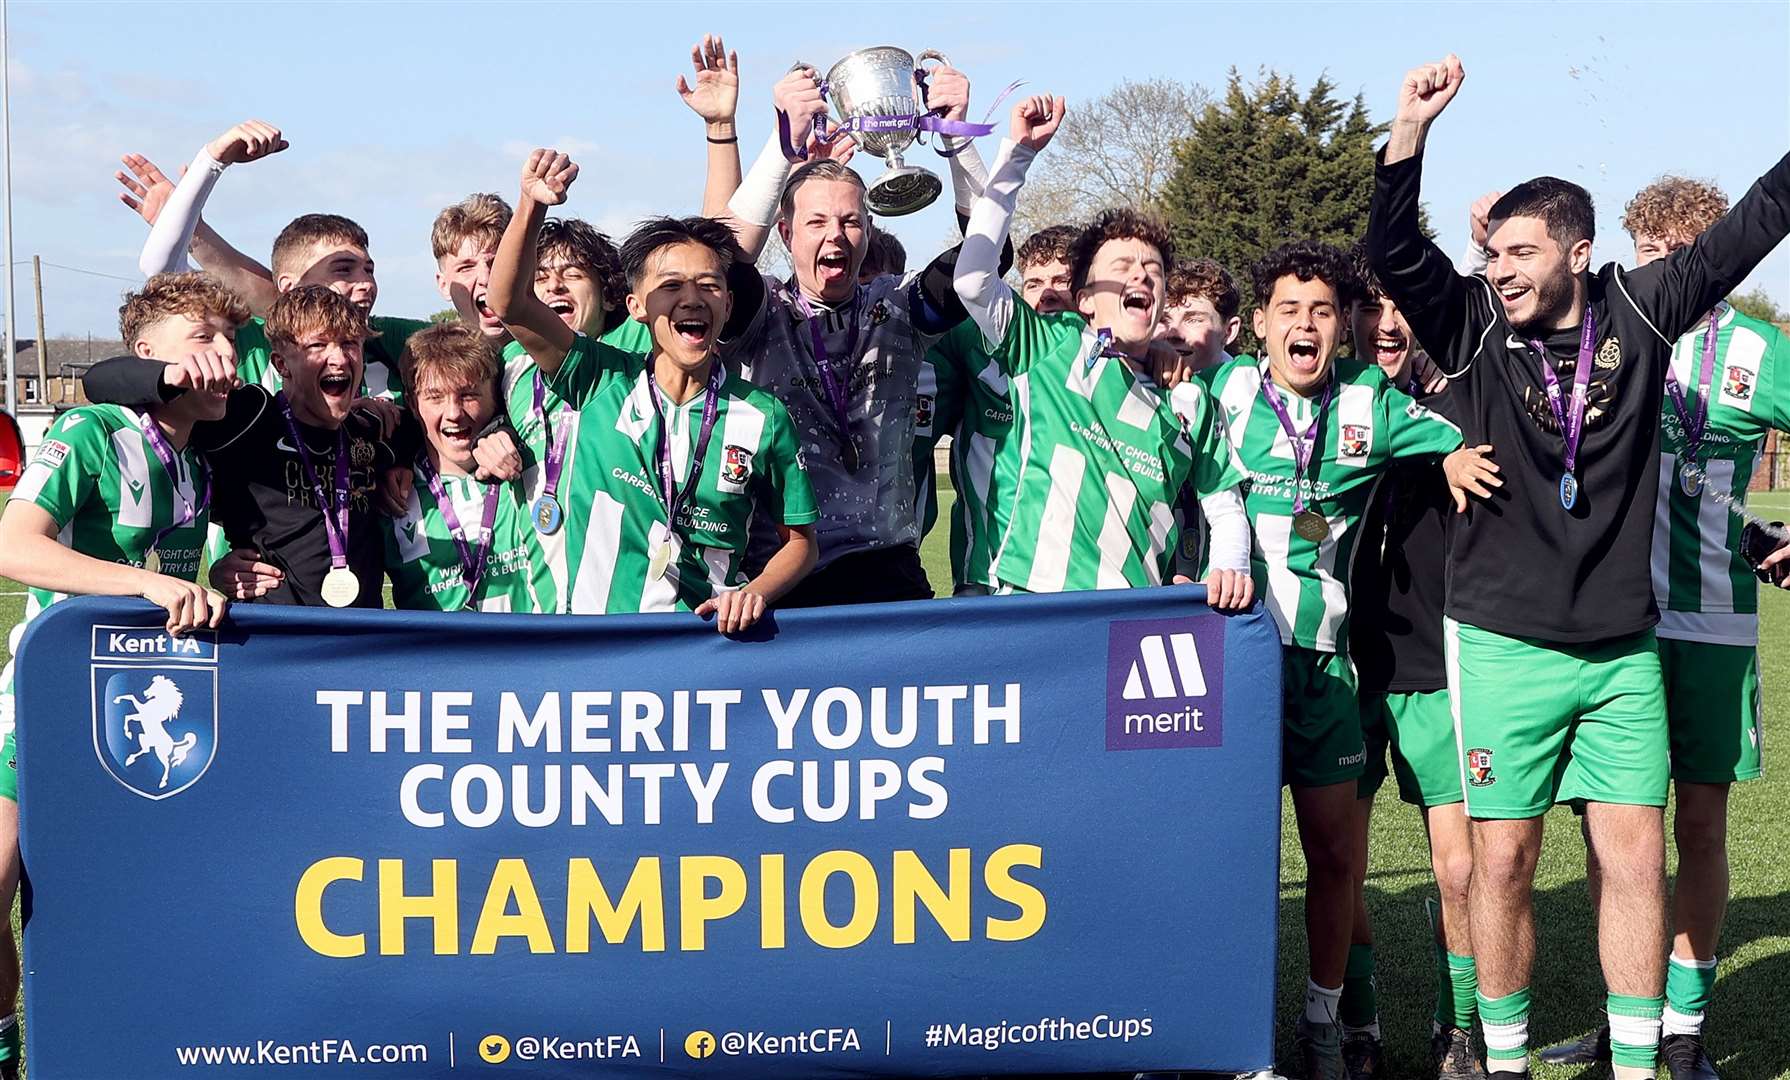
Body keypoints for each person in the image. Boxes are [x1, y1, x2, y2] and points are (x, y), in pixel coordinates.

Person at [1368, 53, 1790, 1080]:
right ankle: (1503, 1062)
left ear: (1576, 251)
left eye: (1519, 252)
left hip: (1619, 655)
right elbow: (1388, 246)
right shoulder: (1468, 328)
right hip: (1502, 645)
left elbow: (1757, 217)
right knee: (1503, 860)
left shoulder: (1641, 309)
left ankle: (1639, 1066)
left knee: (1635, 860)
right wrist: (1408, 133)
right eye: (1493, 251)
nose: (1499, 268)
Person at [1199, 240, 1487, 1080]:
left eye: (1322, 311)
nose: (1306, 325)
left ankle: (1326, 1032)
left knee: (1334, 859)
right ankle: (1217, 1031)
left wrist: (1455, 453)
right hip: (1233, 662)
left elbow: (1449, 429)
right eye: (1288, 309)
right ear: (1258, 325)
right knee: (1223, 858)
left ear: (1342, 329)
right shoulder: (1221, 392)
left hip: (1327, 668)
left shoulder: (1368, 398)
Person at [1536, 177, 1790, 1080]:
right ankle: (1625, 1022)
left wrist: (1775, 531)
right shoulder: (1607, 337)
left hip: (1715, 619)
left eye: (1680, 248)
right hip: (1618, 620)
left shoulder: (1757, 347)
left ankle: (1683, 1029)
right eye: (1648, 247)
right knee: (1616, 832)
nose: (1661, 264)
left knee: (1703, 823)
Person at [0, 272, 242, 1080]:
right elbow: (13, 545)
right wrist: (140, 580)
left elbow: (169, 577)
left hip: (135, 714)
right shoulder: (92, 426)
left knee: (121, 917)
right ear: (147, 356)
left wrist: (223, 572)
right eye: (201, 339)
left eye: (229, 343)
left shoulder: (197, 467)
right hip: (44, 707)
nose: (222, 358)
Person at [487, 148, 817, 629]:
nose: (692, 298)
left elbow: (802, 542)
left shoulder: (761, 415)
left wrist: (755, 592)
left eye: (709, 285)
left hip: (701, 648)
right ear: (637, 306)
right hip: (592, 644)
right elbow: (509, 303)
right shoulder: (598, 377)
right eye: (671, 286)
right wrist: (531, 206)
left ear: (727, 304)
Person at [716, 59, 1002, 606]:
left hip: (885, 571)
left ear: (869, 231)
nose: (837, 237)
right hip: (777, 572)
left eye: (850, 222)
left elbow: (986, 261)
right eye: (817, 223)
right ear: (786, 232)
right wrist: (782, 144)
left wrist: (957, 141)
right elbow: (718, 260)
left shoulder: (895, 305)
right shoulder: (762, 312)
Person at [954, 94, 1254, 608]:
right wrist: (1017, 157)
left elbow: (1224, 503)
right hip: (1030, 602)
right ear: (1086, 300)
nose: (1139, 273)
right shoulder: (1048, 346)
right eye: (1121, 266)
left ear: (1162, 302)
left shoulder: (1191, 400)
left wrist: (1230, 565)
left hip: (1129, 621)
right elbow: (974, 279)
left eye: (1153, 269)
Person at [1343, 247, 1482, 1080]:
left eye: (1402, 307)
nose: (1388, 323)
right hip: (1346, 669)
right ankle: (1358, 1025)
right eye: (1372, 307)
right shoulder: (1321, 409)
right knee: (1343, 865)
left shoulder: (1462, 408)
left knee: (1460, 870)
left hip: (1440, 671)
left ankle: (1458, 1023)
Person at [84, 286, 422, 608]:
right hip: (271, 635)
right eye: (318, 345)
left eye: (350, 343)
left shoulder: (373, 427)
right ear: (281, 364)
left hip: (360, 636)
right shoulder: (249, 415)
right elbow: (99, 381)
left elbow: (424, 428)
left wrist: (402, 462)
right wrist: (173, 376)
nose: (339, 358)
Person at [126, 121, 430, 399]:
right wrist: (212, 162)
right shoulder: (247, 337)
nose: (365, 283)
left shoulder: (391, 339)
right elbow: (161, 272)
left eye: (368, 270)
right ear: (290, 286)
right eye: (343, 270)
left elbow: (472, 339)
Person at [384, 323, 538, 612]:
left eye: (468, 395)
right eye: (435, 397)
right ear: (413, 405)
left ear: (496, 397)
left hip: (534, 654)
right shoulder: (391, 495)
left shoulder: (530, 467)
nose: (454, 413)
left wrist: (509, 433)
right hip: (440, 657)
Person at [1156, 258, 1243, 373]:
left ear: (1229, 331)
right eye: (1163, 319)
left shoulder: (1246, 388)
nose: (1173, 334)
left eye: (1193, 320)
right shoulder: (1130, 382)